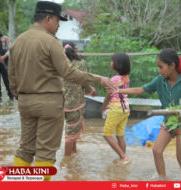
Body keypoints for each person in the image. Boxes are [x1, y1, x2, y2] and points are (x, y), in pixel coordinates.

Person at [8, 1, 116, 181]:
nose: (58, 26)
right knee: (45, 152)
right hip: (49, 103)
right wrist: (98, 79)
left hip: (25, 102)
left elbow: (12, 77)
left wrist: (22, 97)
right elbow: (68, 72)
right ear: (48, 18)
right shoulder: (51, 42)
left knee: (25, 148)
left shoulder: (17, 42)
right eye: (58, 21)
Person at [110, 48, 181, 178]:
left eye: (161, 67)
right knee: (156, 150)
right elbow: (140, 90)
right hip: (168, 122)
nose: (159, 71)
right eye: (158, 67)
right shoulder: (160, 80)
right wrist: (119, 91)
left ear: (172, 66)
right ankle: (162, 180)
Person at [63, 42, 96, 157]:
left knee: (71, 128)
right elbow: (84, 80)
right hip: (74, 104)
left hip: (60, 103)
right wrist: (91, 90)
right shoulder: (81, 63)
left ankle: (73, 153)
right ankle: (66, 161)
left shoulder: (59, 64)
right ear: (75, 50)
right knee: (71, 132)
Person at [102, 53, 131, 164]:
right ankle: (122, 158)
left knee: (107, 134)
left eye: (112, 61)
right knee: (120, 135)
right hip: (126, 109)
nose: (111, 62)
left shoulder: (113, 79)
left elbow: (108, 96)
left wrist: (103, 107)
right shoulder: (127, 78)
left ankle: (123, 157)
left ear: (117, 65)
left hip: (116, 109)